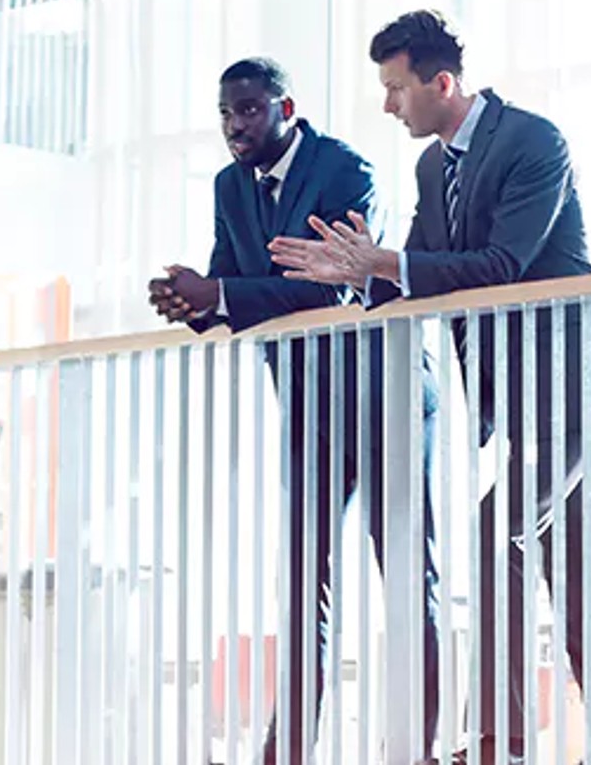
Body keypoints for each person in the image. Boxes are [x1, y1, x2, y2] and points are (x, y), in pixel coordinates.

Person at [272, 12, 591, 765]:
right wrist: (356, 279)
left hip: (578, 375)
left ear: (442, 83)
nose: (388, 106)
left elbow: (500, 265)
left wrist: (380, 265)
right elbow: (417, 273)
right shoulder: (429, 167)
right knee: (579, 568)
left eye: (396, 88)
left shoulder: (531, 142)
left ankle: (494, 745)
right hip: (521, 397)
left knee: (495, 529)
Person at [153, 57, 447, 764]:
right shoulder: (230, 187)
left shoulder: (344, 170)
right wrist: (196, 305)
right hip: (309, 402)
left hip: (386, 395)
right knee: (303, 582)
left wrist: (223, 292)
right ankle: (286, 750)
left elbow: (334, 288)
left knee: (406, 579)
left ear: (286, 108)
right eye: (226, 113)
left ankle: (415, 746)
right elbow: (236, 291)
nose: (235, 126)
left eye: (250, 110)